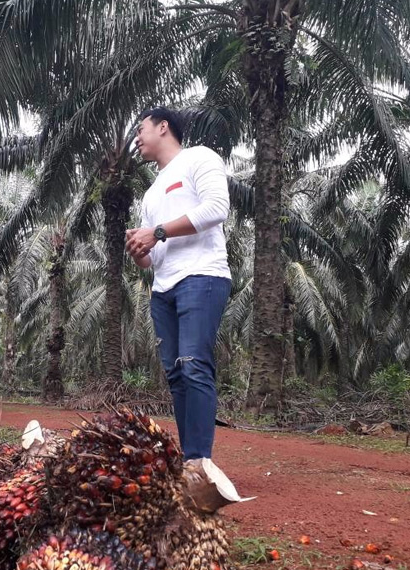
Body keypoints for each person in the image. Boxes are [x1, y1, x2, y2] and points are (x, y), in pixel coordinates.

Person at [125, 107, 231, 460]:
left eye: (141, 129)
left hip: (202, 276)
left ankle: (199, 461)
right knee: (175, 374)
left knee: (194, 364)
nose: (136, 138)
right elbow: (151, 259)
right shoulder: (151, 193)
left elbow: (217, 208)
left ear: (163, 127)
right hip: (163, 288)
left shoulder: (199, 158)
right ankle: (191, 459)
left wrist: (156, 232)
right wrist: (138, 249)